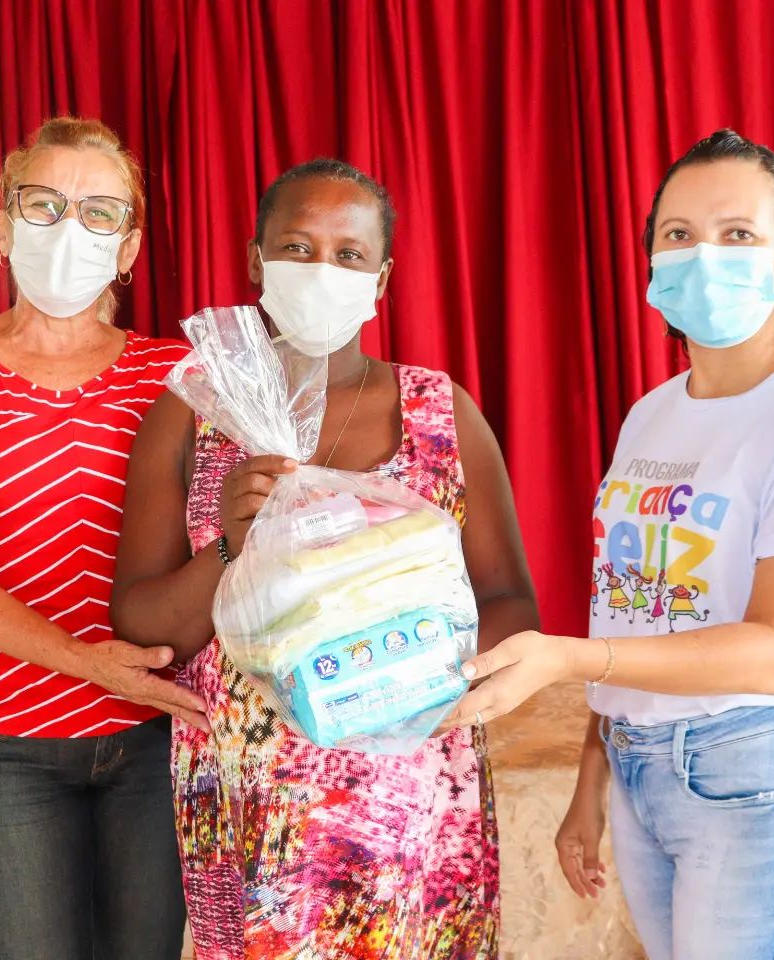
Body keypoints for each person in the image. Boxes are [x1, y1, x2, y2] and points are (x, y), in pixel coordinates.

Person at [441, 130, 774, 960]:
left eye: (738, 234)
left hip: (761, 774)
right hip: (642, 773)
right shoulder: (652, 414)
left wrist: (564, 660)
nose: (704, 256)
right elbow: (635, 609)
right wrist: (594, 778)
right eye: (679, 234)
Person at [111, 158, 539, 959]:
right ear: (256, 261)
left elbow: (510, 600)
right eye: (298, 248)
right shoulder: (192, 410)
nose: (321, 271)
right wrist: (232, 547)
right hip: (252, 813)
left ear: (381, 279)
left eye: (348, 255)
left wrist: (402, 681)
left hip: (411, 807)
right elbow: (141, 624)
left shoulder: (438, 410)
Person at [0, 117, 202, 960]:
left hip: (153, 736)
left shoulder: (177, 376)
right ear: (3, 227)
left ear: (128, 248)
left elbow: (217, 543)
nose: (68, 229)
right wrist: (87, 661)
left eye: (99, 212)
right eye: (44, 203)